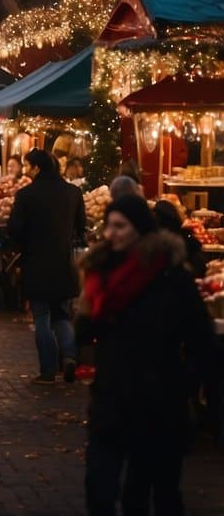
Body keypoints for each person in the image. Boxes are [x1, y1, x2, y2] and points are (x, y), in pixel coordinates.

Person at [76, 195, 213, 516]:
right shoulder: (100, 275)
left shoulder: (169, 276)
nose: (111, 234)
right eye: (109, 226)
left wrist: (183, 384)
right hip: (110, 399)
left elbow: (199, 337)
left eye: (119, 226)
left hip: (158, 402)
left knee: (146, 494)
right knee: (99, 489)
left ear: (138, 229)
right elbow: (84, 331)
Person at [7, 148, 86, 384]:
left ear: (37, 168)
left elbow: (15, 229)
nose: (25, 170)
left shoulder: (26, 195)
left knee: (41, 317)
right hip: (63, 262)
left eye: (27, 166)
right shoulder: (73, 192)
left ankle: (49, 371)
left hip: (36, 263)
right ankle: (70, 356)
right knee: (61, 315)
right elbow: (81, 226)